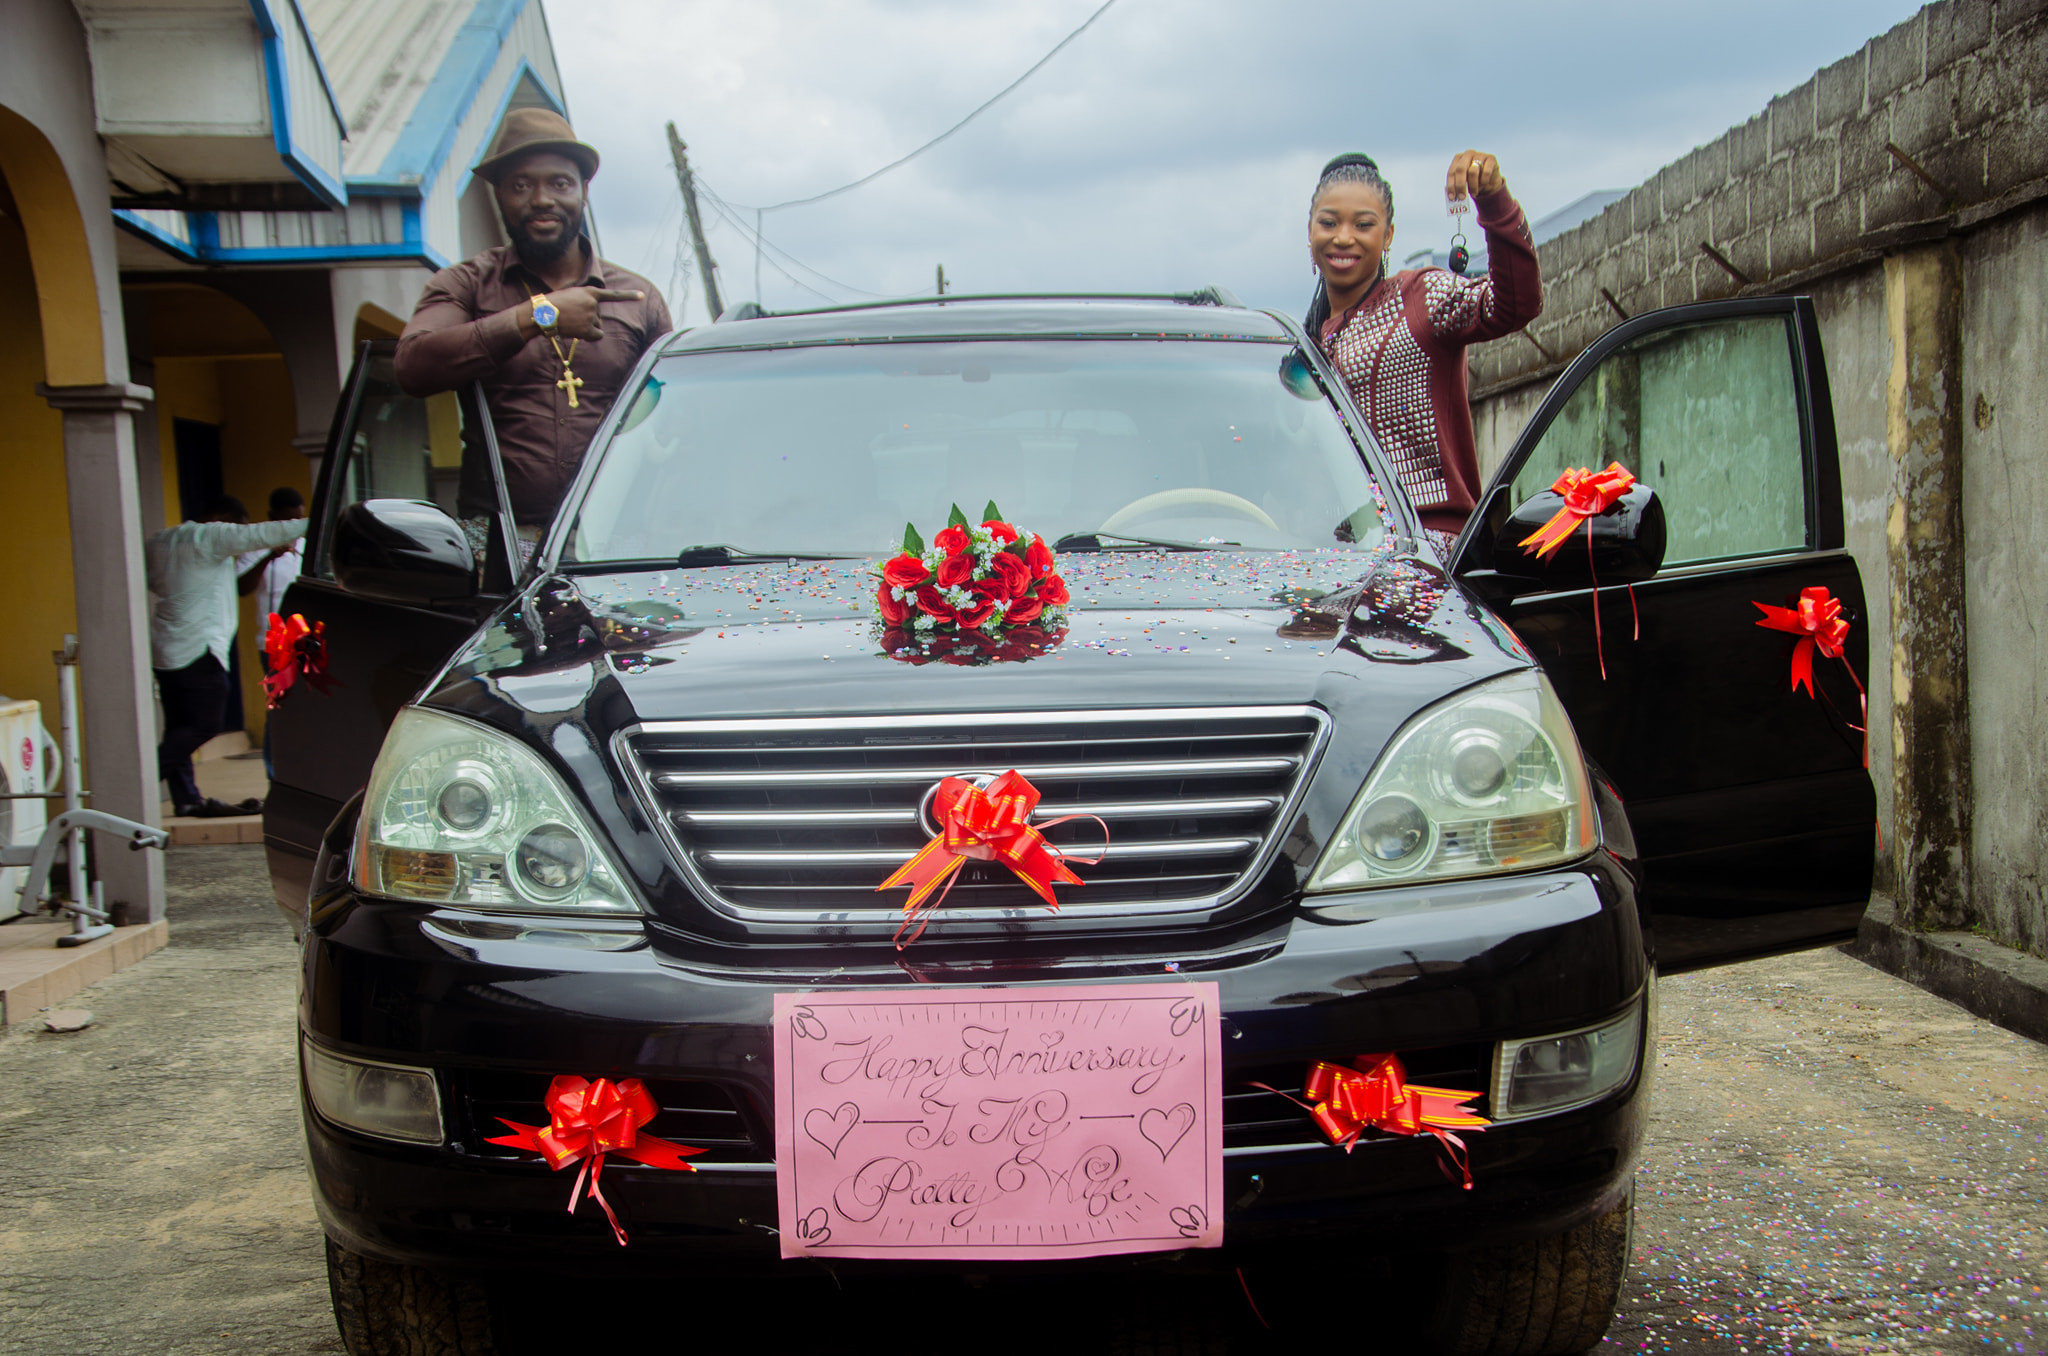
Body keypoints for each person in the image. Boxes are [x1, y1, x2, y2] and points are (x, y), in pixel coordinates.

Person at [395, 109, 671, 554]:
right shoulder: (465, 284)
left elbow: (672, 421)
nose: (542, 199)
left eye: (560, 183)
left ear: (584, 191)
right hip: (497, 544)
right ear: (499, 196)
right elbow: (412, 366)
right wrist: (536, 316)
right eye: (521, 185)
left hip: (619, 541)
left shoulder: (638, 298)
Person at [1305, 150, 1543, 543]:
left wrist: (1494, 200)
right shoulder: (1306, 350)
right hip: (1332, 558)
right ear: (1310, 231)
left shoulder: (1419, 297)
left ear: (1388, 236)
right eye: (1329, 222)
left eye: (1363, 225)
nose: (1343, 236)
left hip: (1425, 551)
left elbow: (1515, 304)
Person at [146, 497, 307, 818]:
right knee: (205, 724)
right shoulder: (211, 536)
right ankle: (139, 781)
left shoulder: (161, 540)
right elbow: (270, 533)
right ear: (222, 519)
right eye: (239, 526)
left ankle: (187, 799)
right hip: (200, 649)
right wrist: (334, 518)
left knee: (179, 726)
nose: (240, 533)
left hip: (166, 648)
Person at [236, 486, 306, 778]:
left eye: (298, 520)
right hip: (273, 643)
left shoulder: (306, 546)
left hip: (307, 640)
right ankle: (274, 774)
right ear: (272, 518)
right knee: (278, 709)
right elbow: (241, 587)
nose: (292, 526)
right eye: (287, 520)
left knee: (307, 710)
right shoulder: (255, 548)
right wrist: (269, 555)